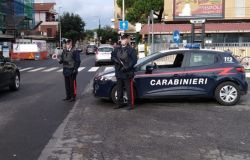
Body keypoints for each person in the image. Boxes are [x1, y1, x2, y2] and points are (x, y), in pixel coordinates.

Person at [111, 34, 138, 110]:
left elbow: (134, 60)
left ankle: (130, 105)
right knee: (119, 89)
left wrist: (127, 67)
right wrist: (115, 60)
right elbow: (112, 56)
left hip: (127, 73)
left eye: (124, 39)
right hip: (119, 72)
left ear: (127, 40)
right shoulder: (116, 49)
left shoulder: (131, 49)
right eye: (122, 39)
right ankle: (119, 103)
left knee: (129, 89)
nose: (123, 40)